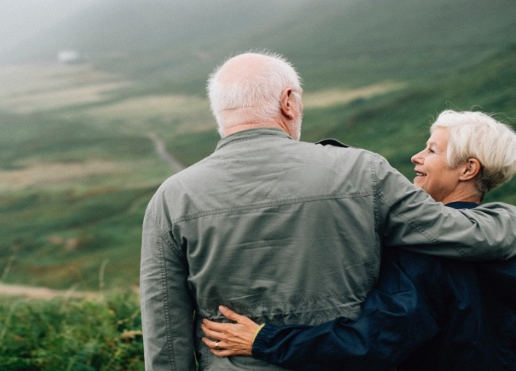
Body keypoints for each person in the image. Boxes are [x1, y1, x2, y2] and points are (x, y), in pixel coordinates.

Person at [140, 52, 516, 370]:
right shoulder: (361, 171)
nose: (418, 157)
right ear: (288, 101)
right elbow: (459, 234)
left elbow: (165, 333)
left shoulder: (171, 197)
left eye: (432, 150)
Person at [200, 110, 516, 370]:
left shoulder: (423, 253)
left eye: (432, 150)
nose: (416, 157)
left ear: (468, 169)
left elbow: (371, 344)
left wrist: (262, 340)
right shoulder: (507, 240)